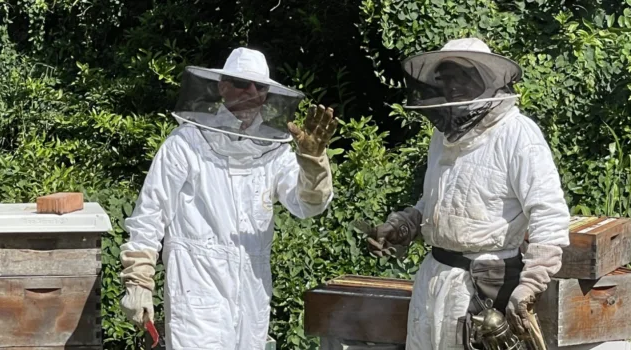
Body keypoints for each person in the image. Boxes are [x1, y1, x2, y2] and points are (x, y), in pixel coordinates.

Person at [117, 47, 338, 349]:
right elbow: (150, 215)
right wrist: (138, 279)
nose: (251, 92)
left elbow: (308, 205)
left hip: (253, 293)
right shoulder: (185, 143)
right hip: (196, 289)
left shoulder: (274, 151)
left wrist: (313, 162)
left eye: (260, 87)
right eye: (241, 83)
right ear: (222, 87)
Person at [361, 38, 570, 350]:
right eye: (446, 78)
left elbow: (549, 213)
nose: (453, 86)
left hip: (485, 286)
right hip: (434, 280)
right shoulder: (442, 137)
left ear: (486, 78)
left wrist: (531, 283)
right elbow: (437, 200)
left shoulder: (517, 133)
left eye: (462, 76)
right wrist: (404, 225)